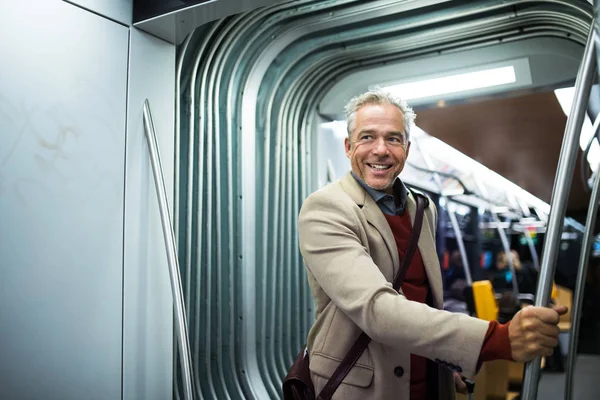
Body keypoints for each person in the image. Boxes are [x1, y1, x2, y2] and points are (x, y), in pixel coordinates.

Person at [297, 89, 567, 400]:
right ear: (348, 146)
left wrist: (445, 359)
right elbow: (376, 309)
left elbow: (424, 298)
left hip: (425, 377)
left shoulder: (421, 208)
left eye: (394, 139)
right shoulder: (326, 208)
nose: (381, 150)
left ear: (407, 149)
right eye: (367, 137)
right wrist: (497, 339)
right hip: (365, 386)